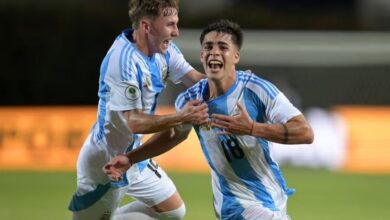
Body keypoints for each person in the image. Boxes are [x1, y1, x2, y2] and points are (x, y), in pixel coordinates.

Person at [103, 19, 314, 219]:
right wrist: (131, 158)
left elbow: (305, 132)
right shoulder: (191, 100)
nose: (214, 52)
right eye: (208, 47)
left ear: (236, 57)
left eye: (223, 47)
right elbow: (173, 135)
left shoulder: (256, 89)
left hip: (272, 196)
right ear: (202, 55)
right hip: (236, 204)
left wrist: (251, 128)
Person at [68, 0, 209, 219]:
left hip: (134, 155)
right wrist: (182, 116)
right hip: (105, 163)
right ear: (146, 26)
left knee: (173, 211)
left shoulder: (166, 50)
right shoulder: (122, 61)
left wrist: (233, 83)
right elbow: (133, 122)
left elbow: (197, 80)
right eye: (170, 24)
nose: (176, 32)